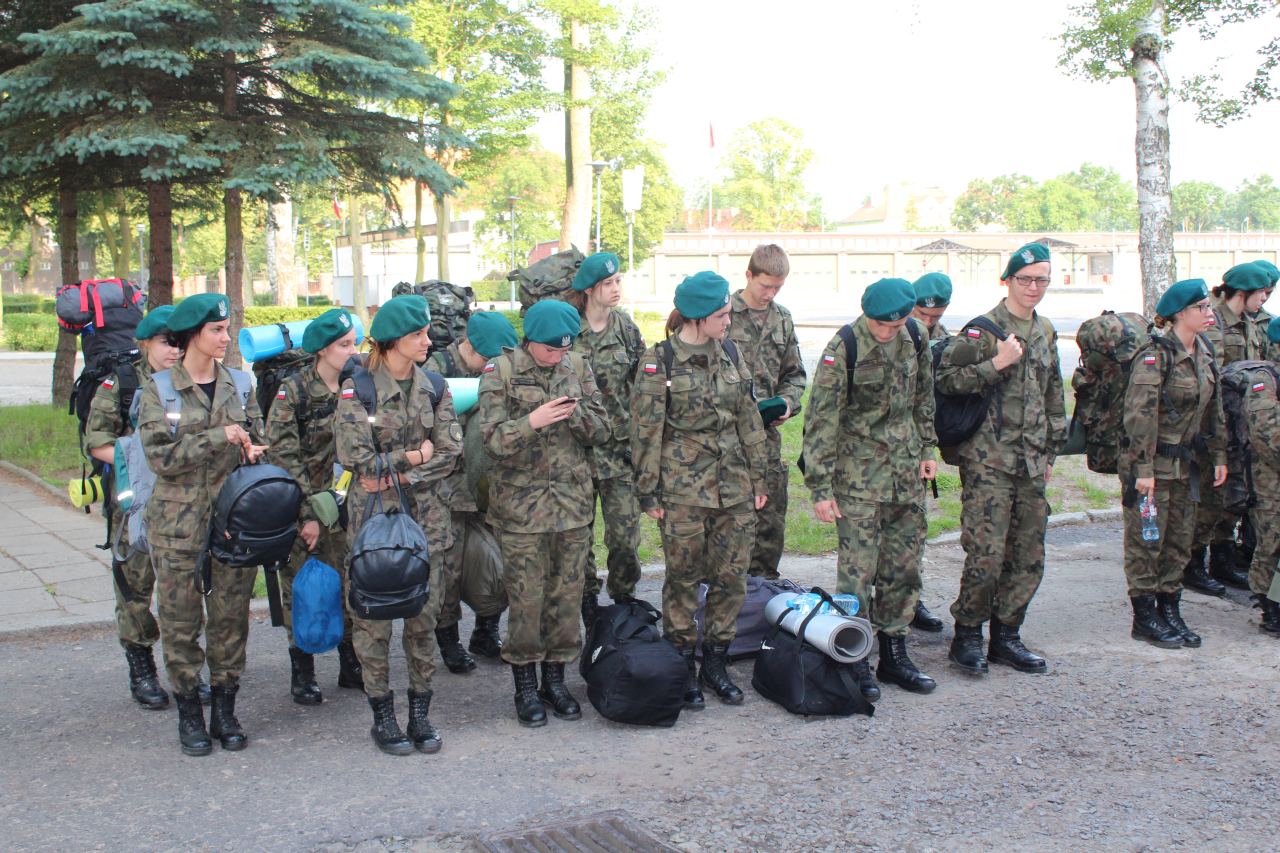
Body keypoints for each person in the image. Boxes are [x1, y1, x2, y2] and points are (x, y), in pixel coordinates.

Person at [136, 293, 268, 756]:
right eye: (217, 330)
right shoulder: (159, 389)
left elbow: (259, 436)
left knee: (230, 620)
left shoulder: (240, 384)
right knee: (180, 622)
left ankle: (225, 712)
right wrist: (217, 436)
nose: (225, 338)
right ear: (192, 334)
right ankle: (190, 712)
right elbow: (159, 457)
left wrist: (253, 449)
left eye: (226, 329)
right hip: (178, 527)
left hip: (232, 522)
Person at [631, 271, 769, 708]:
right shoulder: (660, 361)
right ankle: (682, 665)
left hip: (735, 488)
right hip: (683, 492)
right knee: (683, 580)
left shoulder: (730, 352)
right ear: (697, 317)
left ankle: (716, 662)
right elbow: (646, 430)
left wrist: (760, 478)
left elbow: (748, 417)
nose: (729, 321)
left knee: (732, 579)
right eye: (722, 315)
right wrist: (648, 492)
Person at [334, 295, 462, 755]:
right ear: (391, 341)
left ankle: (420, 715)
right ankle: (383, 717)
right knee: (372, 625)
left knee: (423, 622)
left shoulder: (435, 386)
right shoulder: (358, 388)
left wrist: (401, 473)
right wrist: (413, 454)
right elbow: (355, 458)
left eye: (427, 333)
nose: (428, 342)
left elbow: (450, 452)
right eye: (418, 335)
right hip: (374, 525)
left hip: (428, 525)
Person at [935, 242, 1066, 676]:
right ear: (1007, 280)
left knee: (1028, 555)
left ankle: (1007, 635)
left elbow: (1053, 394)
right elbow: (947, 381)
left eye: (1041, 280)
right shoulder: (982, 331)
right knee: (986, 555)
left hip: (1031, 464)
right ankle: (968, 634)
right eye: (1025, 279)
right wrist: (996, 363)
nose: (1033, 287)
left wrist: (1051, 449)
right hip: (989, 462)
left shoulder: (1045, 330)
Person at [803, 278, 938, 700]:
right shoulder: (844, 347)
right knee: (857, 575)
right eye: (880, 324)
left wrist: (928, 446)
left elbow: (923, 396)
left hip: (905, 476)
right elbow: (821, 420)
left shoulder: (916, 335)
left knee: (904, 567)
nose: (886, 332)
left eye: (894, 325)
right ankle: (855, 656)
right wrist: (820, 488)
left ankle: (895, 653)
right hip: (858, 480)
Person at [478, 299, 610, 726]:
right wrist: (531, 421)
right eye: (550, 350)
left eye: (563, 349)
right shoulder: (500, 371)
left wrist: (576, 414)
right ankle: (525, 686)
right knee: (527, 601)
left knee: (566, 598)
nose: (557, 357)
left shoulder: (578, 366)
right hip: (521, 511)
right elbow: (491, 442)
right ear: (530, 341)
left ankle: (556, 681)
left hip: (571, 506)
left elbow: (603, 429)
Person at [1120, 279, 1227, 648]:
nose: (1209, 313)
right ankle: (1145, 616)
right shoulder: (1155, 356)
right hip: (1153, 468)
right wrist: (1143, 470)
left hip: (1186, 467)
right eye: (1202, 308)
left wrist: (1219, 456)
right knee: (1147, 541)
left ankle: (1169, 608)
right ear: (1181, 313)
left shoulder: (1204, 351)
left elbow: (1214, 411)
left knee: (1179, 542)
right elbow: (1139, 417)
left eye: (1209, 306)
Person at [83, 305, 180, 710]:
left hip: (182, 502)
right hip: (135, 505)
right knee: (134, 588)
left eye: (180, 342)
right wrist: (141, 462)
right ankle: (141, 667)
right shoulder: (121, 383)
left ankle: (184, 672)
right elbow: (97, 442)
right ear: (145, 343)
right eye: (167, 342)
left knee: (181, 591)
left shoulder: (188, 380)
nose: (175, 350)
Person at [265, 308, 362, 705]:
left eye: (354, 343)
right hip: (306, 505)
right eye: (344, 345)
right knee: (302, 586)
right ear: (322, 350)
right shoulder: (295, 392)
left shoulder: (357, 385)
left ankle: (350, 663)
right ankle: (302, 668)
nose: (352, 351)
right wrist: (309, 514)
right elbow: (283, 456)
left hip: (350, 502)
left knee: (350, 582)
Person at [426, 311, 518, 663]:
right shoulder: (434, 369)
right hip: (445, 489)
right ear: (469, 347)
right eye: (487, 359)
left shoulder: (497, 372)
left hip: (487, 485)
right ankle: (448, 638)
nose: (491, 367)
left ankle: (486, 630)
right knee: (447, 569)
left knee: (498, 561)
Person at [567, 252, 646, 625]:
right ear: (589, 289)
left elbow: (643, 383)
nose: (616, 289)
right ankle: (586, 601)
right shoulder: (569, 329)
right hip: (577, 452)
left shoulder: (625, 328)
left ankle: (624, 598)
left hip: (619, 453)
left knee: (625, 537)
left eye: (618, 282)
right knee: (578, 538)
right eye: (608, 283)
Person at [1186, 262, 1268, 594]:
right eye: (1261, 293)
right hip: (1215, 423)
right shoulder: (1214, 322)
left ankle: (1222, 559)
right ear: (1243, 293)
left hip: (1240, 424)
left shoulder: (1249, 323)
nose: (1265, 299)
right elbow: (1210, 378)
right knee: (1209, 497)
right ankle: (1193, 564)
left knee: (1233, 495)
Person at [727, 244, 806, 581]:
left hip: (766, 439)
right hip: (726, 439)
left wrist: (787, 402)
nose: (770, 294)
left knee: (769, 521)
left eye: (778, 287)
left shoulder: (781, 318)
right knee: (728, 520)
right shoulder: (723, 314)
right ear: (749, 275)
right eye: (765, 286)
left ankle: (763, 590)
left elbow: (795, 374)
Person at [906, 271, 954, 634]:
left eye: (934, 316)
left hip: (918, 447)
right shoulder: (890, 329)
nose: (927, 321)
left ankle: (911, 600)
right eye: (921, 313)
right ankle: (875, 600)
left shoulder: (945, 341)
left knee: (914, 530)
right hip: (876, 451)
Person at [1246, 317, 1280, 634]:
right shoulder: (1265, 379)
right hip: (1271, 480)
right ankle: (1270, 606)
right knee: (1272, 540)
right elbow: (1266, 433)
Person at [911, 271, 953, 342]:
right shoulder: (892, 331)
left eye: (935, 316)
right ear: (911, 305)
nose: (927, 323)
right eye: (923, 314)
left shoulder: (943, 338)